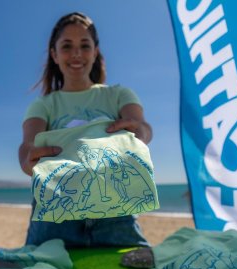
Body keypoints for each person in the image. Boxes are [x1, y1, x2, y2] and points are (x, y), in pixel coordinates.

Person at [19, 12, 153, 249]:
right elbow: (27, 146)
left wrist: (139, 132)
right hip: (56, 217)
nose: (77, 54)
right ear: (54, 54)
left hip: (116, 214)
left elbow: (142, 127)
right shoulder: (44, 105)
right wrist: (27, 159)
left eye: (84, 45)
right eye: (67, 46)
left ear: (95, 51)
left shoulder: (118, 95)